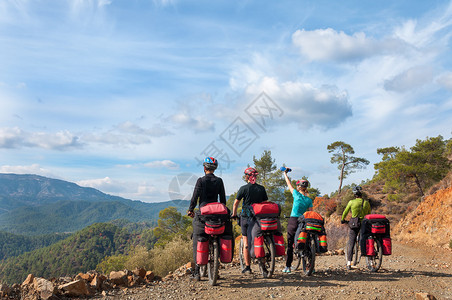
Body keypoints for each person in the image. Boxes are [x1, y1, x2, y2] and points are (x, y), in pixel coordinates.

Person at [187, 157, 230, 281]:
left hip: (204, 213)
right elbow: (222, 199)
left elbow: (195, 197)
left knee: (197, 237)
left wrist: (191, 209)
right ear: (214, 168)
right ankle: (217, 266)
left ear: (204, 168)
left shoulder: (200, 180)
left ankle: (196, 273)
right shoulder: (219, 181)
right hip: (218, 212)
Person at [231, 167, 268, 274]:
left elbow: (236, 203)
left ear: (247, 177)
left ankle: (247, 267)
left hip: (246, 218)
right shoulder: (261, 188)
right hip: (259, 219)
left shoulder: (243, 188)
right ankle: (264, 266)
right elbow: (266, 203)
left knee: (246, 243)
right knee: (260, 240)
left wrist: (234, 214)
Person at [282, 170, 313, 273]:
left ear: (299, 187)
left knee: (290, 243)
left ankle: (288, 267)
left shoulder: (296, 194)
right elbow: (310, 213)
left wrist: (285, 174)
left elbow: (288, 183)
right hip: (304, 221)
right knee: (306, 241)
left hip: (293, 220)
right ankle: (310, 266)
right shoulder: (309, 200)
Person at [341, 185, 371, 270]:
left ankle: (348, 263)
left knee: (351, 242)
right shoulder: (366, 203)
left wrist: (343, 219)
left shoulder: (351, 202)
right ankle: (370, 261)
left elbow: (345, 212)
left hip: (354, 224)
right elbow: (369, 214)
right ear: (362, 194)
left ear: (355, 195)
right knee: (364, 240)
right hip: (364, 224)